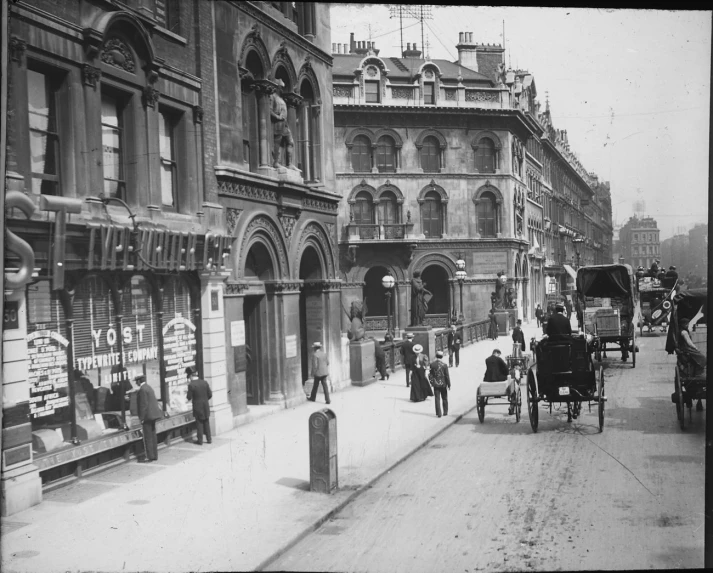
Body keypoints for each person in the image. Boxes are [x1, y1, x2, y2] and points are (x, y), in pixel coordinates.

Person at [135, 375, 163, 463]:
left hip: (147, 416)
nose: (136, 383)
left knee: (147, 437)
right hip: (153, 415)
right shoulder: (148, 387)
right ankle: (154, 455)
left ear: (139, 381)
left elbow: (143, 405)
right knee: (153, 435)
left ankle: (150, 456)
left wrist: (142, 418)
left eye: (136, 381)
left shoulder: (142, 389)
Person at [270, 79, 295, 168]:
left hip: (284, 124)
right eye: (281, 87)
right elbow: (269, 110)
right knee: (277, 142)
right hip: (278, 124)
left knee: (290, 142)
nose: (282, 90)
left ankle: (289, 164)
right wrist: (277, 117)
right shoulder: (272, 97)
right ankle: (275, 162)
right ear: (277, 87)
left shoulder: (281, 99)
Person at [186, 367, 213, 445]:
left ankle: (200, 440)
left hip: (197, 407)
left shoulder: (191, 385)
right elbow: (210, 395)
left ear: (191, 376)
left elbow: (189, 397)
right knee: (206, 422)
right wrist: (204, 400)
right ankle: (209, 439)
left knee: (199, 423)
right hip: (205, 406)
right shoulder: (204, 382)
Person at [429, 350, 451, 418]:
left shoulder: (432, 364)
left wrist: (432, 382)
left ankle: (439, 413)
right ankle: (445, 412)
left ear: (436, 356)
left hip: (436, 383)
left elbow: (430, 375)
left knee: (437, 398)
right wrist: (449, 384)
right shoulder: (444, 365)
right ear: (442, 356)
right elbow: (447, 376)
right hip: (443, 383)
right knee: (444, 397)